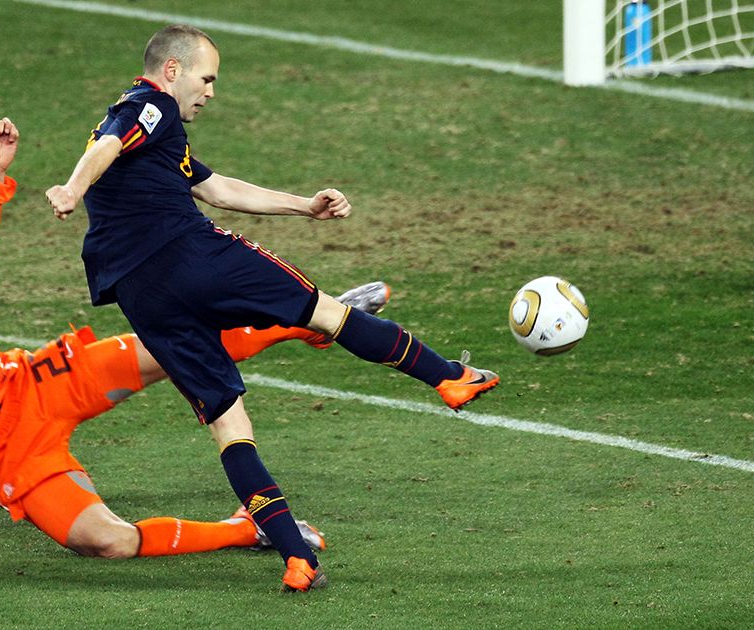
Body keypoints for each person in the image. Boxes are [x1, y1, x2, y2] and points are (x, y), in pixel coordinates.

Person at [0, 118, 391, 567]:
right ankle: (248, 527)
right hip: (9, 459)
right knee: (105, 541)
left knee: (170, 345)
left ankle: (308, 319)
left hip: (35, 382)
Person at [44, 24, 500, 592]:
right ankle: (448, 377)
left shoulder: (158, 136)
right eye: (206, 78)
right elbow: (105, 146)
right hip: (192, 255)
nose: (210, 92)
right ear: (171, 71)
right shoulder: (150, 104)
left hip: (142, 294)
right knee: (326, 314)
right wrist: (71, 189)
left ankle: (295, 558)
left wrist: (302, 206)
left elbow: (217, 188)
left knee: (229, 425)